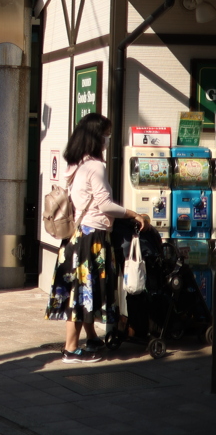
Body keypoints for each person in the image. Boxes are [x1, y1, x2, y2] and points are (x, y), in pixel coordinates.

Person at [46, 112, 149, 363]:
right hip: (91, 239)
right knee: (82, 294)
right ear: (96, 138)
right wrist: (133, 213)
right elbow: (105, 205)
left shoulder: (75, 164)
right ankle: (71, 349)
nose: (108, 139)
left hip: (73, 238)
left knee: (81, 291)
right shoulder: (96, 167)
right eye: (106, 135)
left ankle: (91, 337)